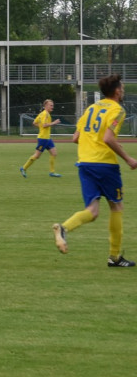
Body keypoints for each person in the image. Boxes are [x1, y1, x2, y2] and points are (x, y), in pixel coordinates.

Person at [53, 74, 137, 267]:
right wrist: (128, 158)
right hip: (105, 165)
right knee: (116, 207)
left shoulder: (91, 108)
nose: (123, 90)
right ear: (116, 91)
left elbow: (75, 138)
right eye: (122, 88)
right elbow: (108, 138)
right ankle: (114, 257)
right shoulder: (117, 110)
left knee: (92, 211)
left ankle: (64, 228)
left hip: (85, 163)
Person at [20, 99, 63, 178]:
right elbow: (44, 125)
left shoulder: (42, 114)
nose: (52, 107)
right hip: (43, 139)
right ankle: (23, 168)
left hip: (47, 138)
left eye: (53, 105)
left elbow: (34, 123)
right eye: (51, 105)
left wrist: (41, 127)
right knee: (37, 156)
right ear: (46, 106)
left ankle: (52, 172)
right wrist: (54, 122)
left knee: (54, 153)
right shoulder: (45, 114)